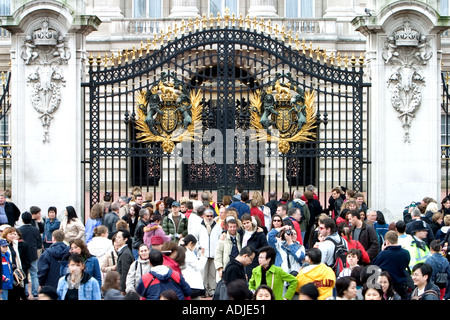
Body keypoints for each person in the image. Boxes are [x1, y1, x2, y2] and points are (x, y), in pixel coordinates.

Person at [372, 230, 411, 299]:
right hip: (402, 285)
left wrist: (383, 251)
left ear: (387, 242)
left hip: (388, 286)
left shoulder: (383, 254)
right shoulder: (406, 253)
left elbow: (374, 265)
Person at [198, 207, 223, 297]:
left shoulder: (217, 226)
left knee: (213, 273)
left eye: (211, 216)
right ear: (204, 216)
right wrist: (199, 248)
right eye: (207, 216)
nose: (209, 218)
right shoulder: (199, 226)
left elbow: (221, 239)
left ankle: (212, 289)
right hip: (203, 254)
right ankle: (203, 289)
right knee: (203, 273)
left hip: (213, 253)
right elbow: (195, 239)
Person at [18, 211, 41, 299]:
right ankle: (35, 293)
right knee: (34, 273)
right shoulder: (35, 229)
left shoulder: (19, 230)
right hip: (33, 253)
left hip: (22, 255)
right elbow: (39, 242)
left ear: (22, 220)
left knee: (23, 274)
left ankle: (25, 292)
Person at [239, 214, 268, 280]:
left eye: (248, 222)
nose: (246, 225)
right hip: (243, 260)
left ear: (251, 221)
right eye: (244, 223)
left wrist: (254, 252)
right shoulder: (242, 233)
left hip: (254, 261)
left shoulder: (258, 233)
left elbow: (265, 246)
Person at [180, 234, 207, 299]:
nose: (195, 247)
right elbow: (199, 266)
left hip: (186, 281)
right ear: (190, 243)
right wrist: (203, 256)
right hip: (192, 283)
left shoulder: (182, 251)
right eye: (194, 245)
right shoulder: (189, 254)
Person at [115, 228, 134, 294]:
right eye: (116, 237)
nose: (116, 239)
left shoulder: (125, 253)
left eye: (119, 237)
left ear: (125, 239)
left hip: (124, 287)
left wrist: (122, 289)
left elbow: (125, 272)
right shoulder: (123, 251)